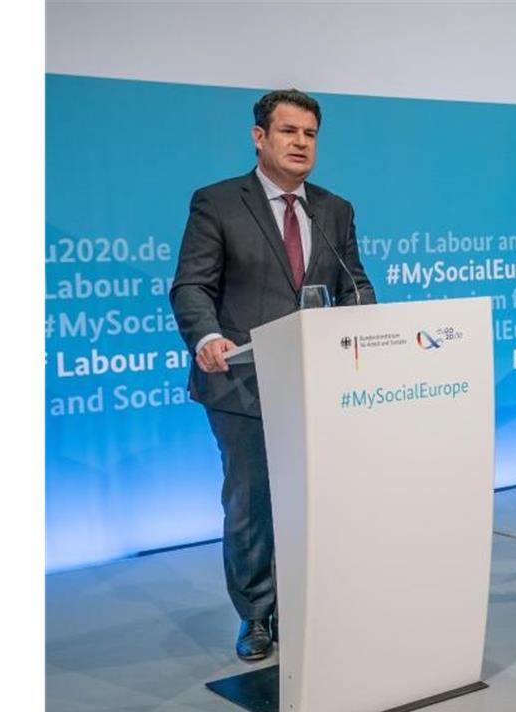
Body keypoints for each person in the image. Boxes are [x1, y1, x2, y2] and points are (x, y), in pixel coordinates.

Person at [171, 89, 376, 660]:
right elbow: (192, 285)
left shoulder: (333, 208)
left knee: (314, 500)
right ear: (260, 137)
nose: (301, 144)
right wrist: (207, 336)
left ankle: (305, 602)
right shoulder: (217, 203)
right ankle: (257, 615)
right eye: (289, 132)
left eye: (310, 135)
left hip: (316, 384)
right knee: (253, 503)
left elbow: (353, 284)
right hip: (243, 384)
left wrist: (367, 325)